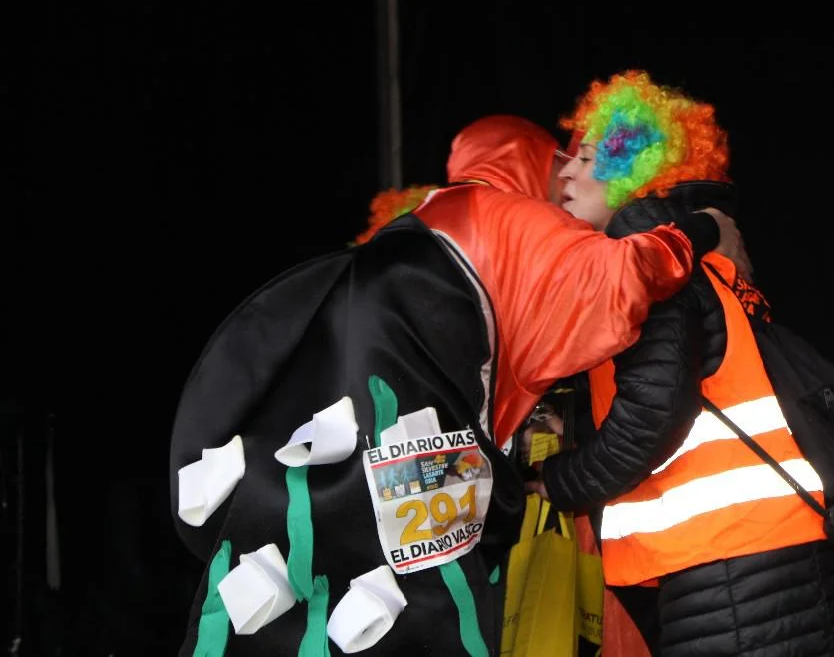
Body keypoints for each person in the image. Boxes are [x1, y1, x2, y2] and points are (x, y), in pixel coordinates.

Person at [169, 112, 746, 655]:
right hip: (428, 472)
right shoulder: (514, 220)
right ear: (527, 161)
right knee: (429, 620)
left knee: (308, 610)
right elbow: (627, 277)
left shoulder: (414, 222)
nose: (569, 176)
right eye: (561, 161)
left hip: (335, 469)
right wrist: (700, 229)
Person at [527, 70, 834, 656]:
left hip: (745, 572)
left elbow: (651, 419)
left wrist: (554, 482)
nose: (567, 174)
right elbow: (692, 387)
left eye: (588, 157)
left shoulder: (650, 262)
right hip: (786, 561)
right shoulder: (694, 259)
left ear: (637, 169)